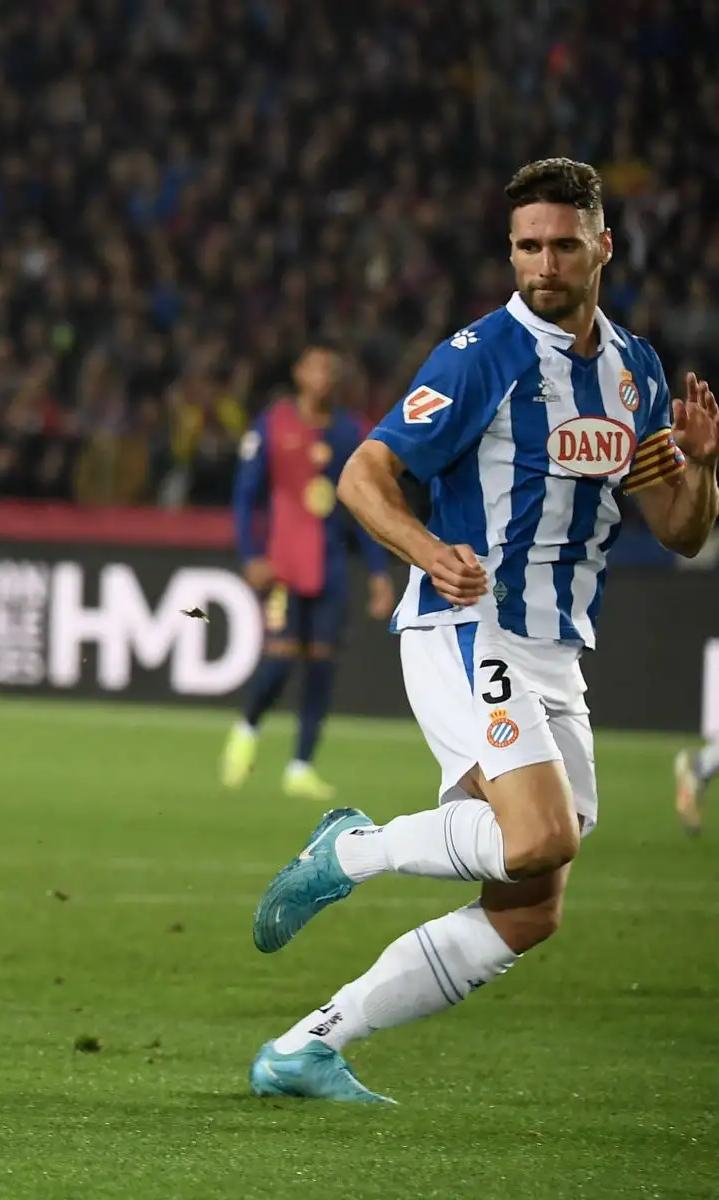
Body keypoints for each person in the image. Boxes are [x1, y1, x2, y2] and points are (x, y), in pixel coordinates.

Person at [246, 158, 718, 1103]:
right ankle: (352, 850)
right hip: (468, 627)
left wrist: (701, 470)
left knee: (529, 907)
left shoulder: (637, 373)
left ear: (603, 246)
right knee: (540, 836)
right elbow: (364, 475)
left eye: (562, 245)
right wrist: (427, 549)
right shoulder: (478, 356)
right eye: (527, 247)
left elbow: (682, 530)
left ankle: (306, 1048)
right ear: (511, 251)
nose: (543, 263)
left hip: (554, 651)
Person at [220, 346, 394, 801]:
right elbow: (244, 498)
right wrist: (250, 554)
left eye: (332, 370)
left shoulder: (349, 432)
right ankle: (247, 728)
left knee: (320, 669)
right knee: (279, 661)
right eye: (316, 368)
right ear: (298, 373)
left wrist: (378, 573)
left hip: (330, 567)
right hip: (282, 566)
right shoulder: (272, 425)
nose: (324, 377)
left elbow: (364, 508)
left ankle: (300, 766)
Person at [672, 741, 716, 833]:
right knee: (685, 808)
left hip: (695, 766)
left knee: (687, 809)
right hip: (691, 766)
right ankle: (693, 823)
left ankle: (694, 823)